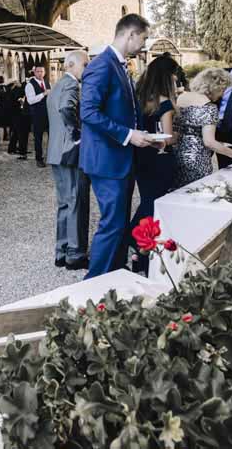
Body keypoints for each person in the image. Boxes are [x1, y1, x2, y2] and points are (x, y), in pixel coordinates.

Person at [80, 14, 158, 279]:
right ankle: (91, 287)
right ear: (130, 35)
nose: (144, 45)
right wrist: (128, 135)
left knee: (120, 224)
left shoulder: (120, 65)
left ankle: (113, 277)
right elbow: (88, 112)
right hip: (107, 160)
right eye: (144, 38)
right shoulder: (102, 65)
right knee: (112, 225)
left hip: (121, 157)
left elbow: (123, 111)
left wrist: (141, 135)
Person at [131, 55, 181, 273]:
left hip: (141, 158)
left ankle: (138, 252)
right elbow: (167, 138)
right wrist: (179, 135)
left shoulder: (139, 97)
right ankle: (132, 241)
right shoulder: (165, 103)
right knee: (152, 207)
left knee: (147, 203)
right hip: (160, 161)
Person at [46, 50, 91, 271]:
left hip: (55, 151)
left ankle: (61, 251)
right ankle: (75, 253)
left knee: (64, 203)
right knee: (75, 202)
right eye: (85, 64)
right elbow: (66, 109)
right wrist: (78, 133)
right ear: (71, 64)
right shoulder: (72, 85)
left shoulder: (56, 85)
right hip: (68, 151)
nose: (87, 68)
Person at [173, 67, 232, 188]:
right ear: (215, 87)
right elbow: (209, 142)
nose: (222, 94)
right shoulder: (209, 107)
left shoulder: (182, 98)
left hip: (178, 155)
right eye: (223, 90)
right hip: (198, 159)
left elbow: (186, 129)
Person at [25, 64, 51, 167]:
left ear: (44, 73)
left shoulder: (47, 82)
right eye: (38, 71)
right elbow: (31, 101)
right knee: (38, 138)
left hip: (48, 114)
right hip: (37, 115)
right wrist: (43, 94)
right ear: (34, 72)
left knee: (51, 136)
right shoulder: (30, 85)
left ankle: (51, 156)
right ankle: (39, 159)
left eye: (42, 71)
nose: (40, 73)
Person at [8, 79, 29, 158]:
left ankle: (12, 149)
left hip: (17, 114)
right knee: (20, 133)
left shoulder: (14, 90)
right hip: (17, 114)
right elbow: (17, 100)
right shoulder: (16, 91)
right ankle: (21, 151)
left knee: (16, 132)